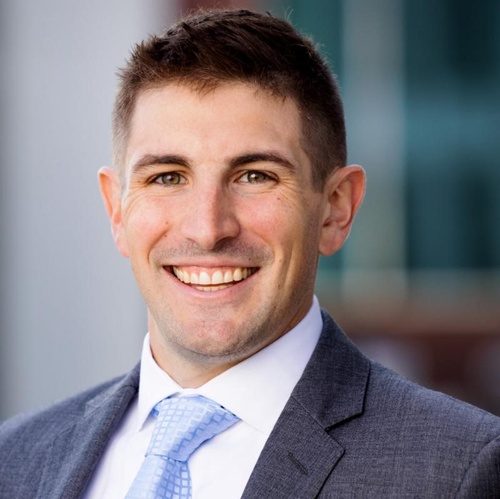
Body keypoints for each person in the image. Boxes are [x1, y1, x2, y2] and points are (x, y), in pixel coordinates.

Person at [1, 8, 499, 498]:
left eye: (255, 176)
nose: (207, 229)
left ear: (335, 209)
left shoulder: (456, 469)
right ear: (117, 210)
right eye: (167, 177)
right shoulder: (15, 458)